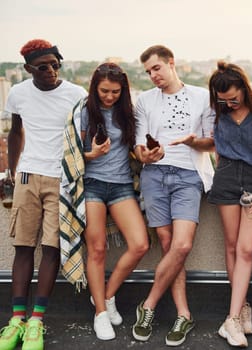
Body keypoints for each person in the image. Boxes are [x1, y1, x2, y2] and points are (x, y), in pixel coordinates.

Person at [0, 39, 86, 350]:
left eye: (55, 64)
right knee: (23, 247)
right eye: (43, 66)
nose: (50, 70)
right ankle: (16, 321)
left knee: (51, 249)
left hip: (61, 178)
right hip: (27, 175)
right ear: (28, 69)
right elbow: (16, 132)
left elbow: (85, 136)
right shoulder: (19, 93)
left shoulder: (77, 94)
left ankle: (37, 321)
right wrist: (11, 172)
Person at [131, 45, 215, 347]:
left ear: (171, 63)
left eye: (156, 68)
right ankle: (183, 314)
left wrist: (194, 142)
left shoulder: (201, 97)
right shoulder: (144, 100)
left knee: (181, 245)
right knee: (168, 245)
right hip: (154, 176)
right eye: (148, 72)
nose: (153, 75)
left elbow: (212, 143)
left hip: (188, 176)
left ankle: (148, 304)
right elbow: (139, 146)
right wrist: (147, 155)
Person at [207, 61, 252, 347]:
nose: (228, 104)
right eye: (222, 100)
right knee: (231, 246)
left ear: (245, 88)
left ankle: (231, 319)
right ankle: (241, 309)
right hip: (226, 177)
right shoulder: (219, 112)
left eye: (233, 99)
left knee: (246, 249)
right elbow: (211, 144)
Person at [77, 63, 149, 340]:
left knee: (140, 243)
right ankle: (100, 316)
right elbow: (74, 155)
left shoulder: (127, 113)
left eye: (115, 92)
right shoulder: (85, 111)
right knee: (96, 250)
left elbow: (135, 149)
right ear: (95, 88)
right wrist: (92, 154)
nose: (109, 96)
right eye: (104, 91)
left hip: (120, 185)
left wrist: (147, 153)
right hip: (92, 185)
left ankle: (105, 298)